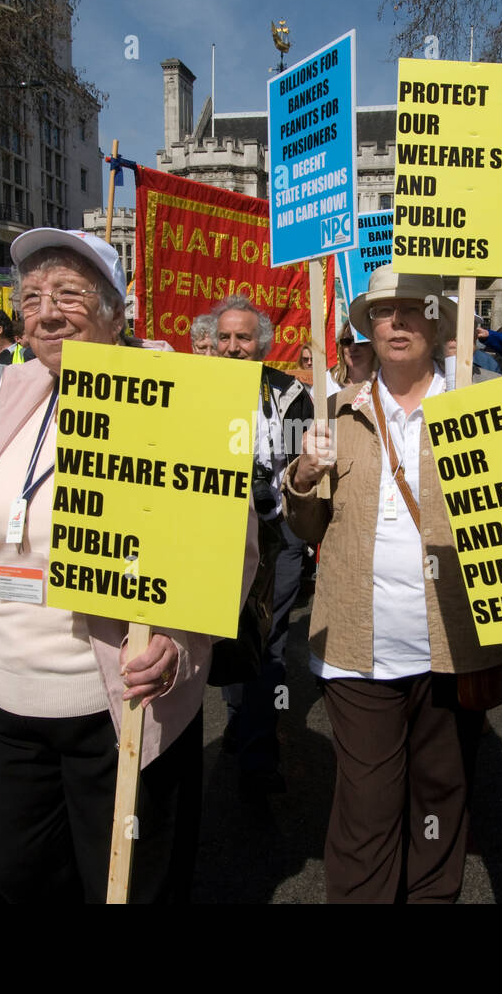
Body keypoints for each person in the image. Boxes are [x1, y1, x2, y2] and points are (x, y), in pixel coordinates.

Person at [0, 228, 253, 902]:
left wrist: (176, 641)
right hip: (4, 707)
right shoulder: (16, 388)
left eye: (69, 293)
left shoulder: (174, 389)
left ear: (116, 313)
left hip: (114, 709)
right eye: (31, 296)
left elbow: (230, 548)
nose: (46, 311)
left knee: (126, 887)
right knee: (15, 873)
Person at [285, 264, 502, 903]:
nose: (399, 322)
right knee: (368, 806)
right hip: (358, 651)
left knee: (441, 799)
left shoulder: (478, 405)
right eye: (384, 313)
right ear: (369, 329)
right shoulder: (335, 411)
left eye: (412, 309)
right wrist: (303, 474)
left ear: (436, 322)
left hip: (453, 647)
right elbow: (306, 529)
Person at [213, 294, 314, 797]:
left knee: (269, 643)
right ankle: (239, 717)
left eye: (244, 337)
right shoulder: (191, 388)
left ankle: (258, 756)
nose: (233, 347)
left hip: (275, 536)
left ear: (262, 344)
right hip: (214, 537)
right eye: (225, 337)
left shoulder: (290, 393)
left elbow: (299, 467)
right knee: (226, 636)